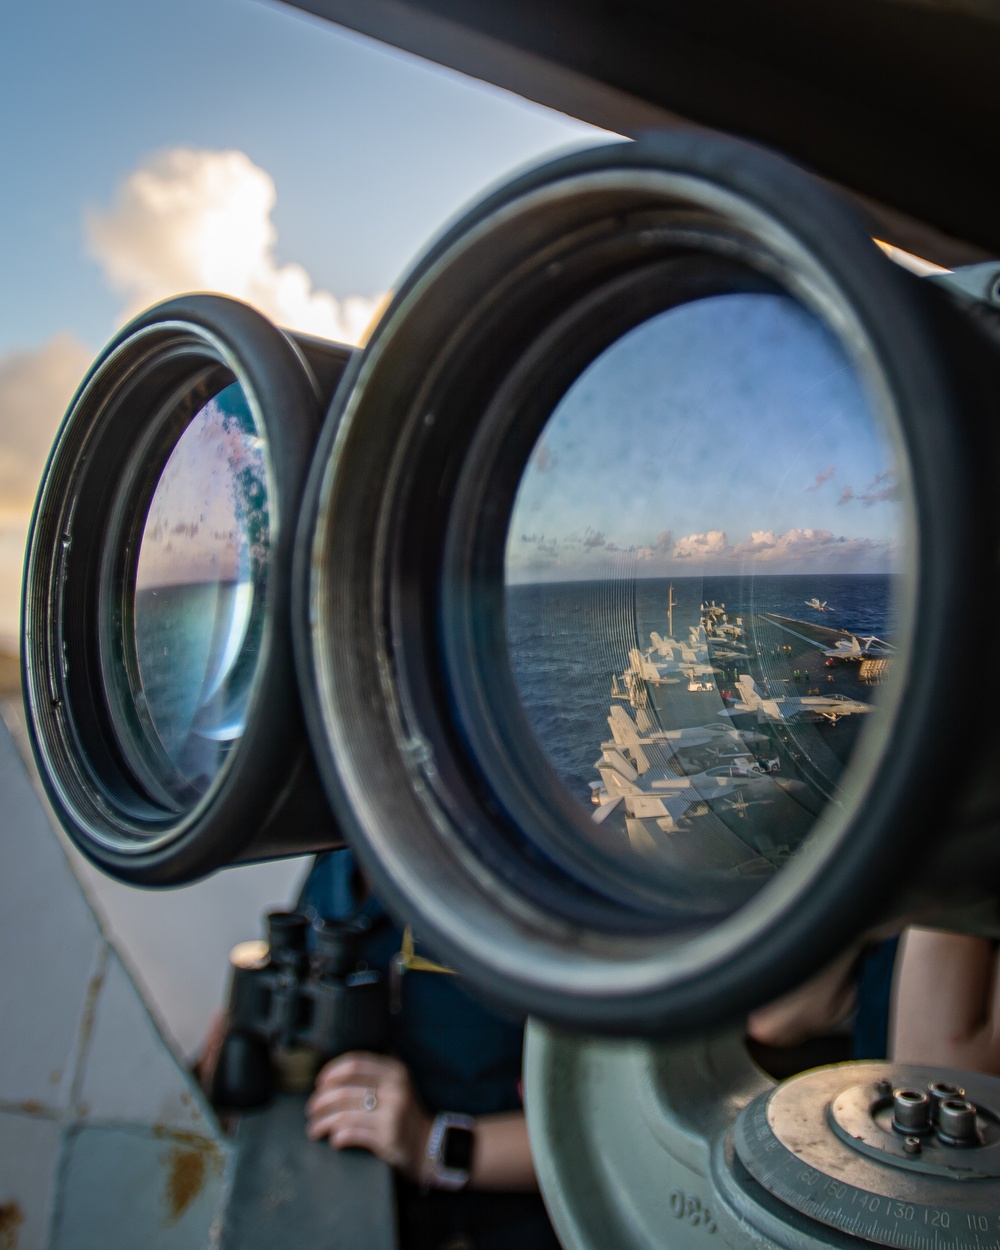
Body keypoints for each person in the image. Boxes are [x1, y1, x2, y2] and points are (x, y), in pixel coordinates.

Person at [299, 848, 560, 1250]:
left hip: (512, 1226)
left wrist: (428, 1144)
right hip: (353, 1197)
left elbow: (618, 1134)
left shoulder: (537, 886)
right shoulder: (334, 859)